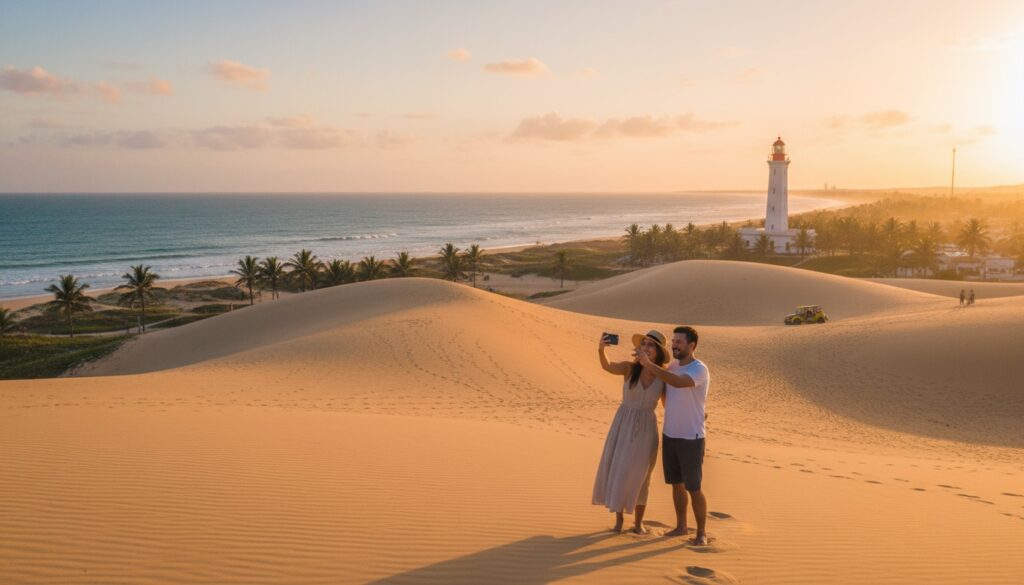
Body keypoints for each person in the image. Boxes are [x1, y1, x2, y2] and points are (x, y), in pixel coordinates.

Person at [637, 325, 711, 545]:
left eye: (679, 342)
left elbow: (679, 383)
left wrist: (649, 364)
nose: (674, 345)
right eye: (673, 341)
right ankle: (681, 526)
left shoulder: (699, 369)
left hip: (691, 437)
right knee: (676, 485)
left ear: (691, 345)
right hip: (670, 434)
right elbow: (666, 391)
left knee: (694, 487)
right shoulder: (673, 365)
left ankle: (701, 533)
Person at [593, 329, 670, 534]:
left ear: (659, 352)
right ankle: (618, 521)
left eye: (651, 345)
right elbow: (607, 366)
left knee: (642, 475)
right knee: (620, 469)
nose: (646, 348)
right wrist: (601, 350)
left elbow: (669, 404)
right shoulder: (629, 368)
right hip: (623, 423)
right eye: (644, 344)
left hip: (647, 428)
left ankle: (638, 523)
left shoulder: (663, 375)